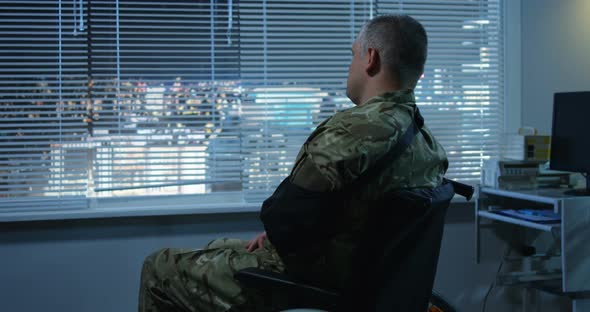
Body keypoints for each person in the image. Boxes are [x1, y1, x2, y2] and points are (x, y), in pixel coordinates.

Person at [138, 14, 448, 312]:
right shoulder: (427, 142)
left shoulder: (353, 130)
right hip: (366, 280)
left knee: (158, 268)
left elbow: (281, 217)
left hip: (314, 279)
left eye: (353, 56)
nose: (350, 66)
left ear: (370, 58)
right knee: (221, 244)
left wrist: (280, 234)